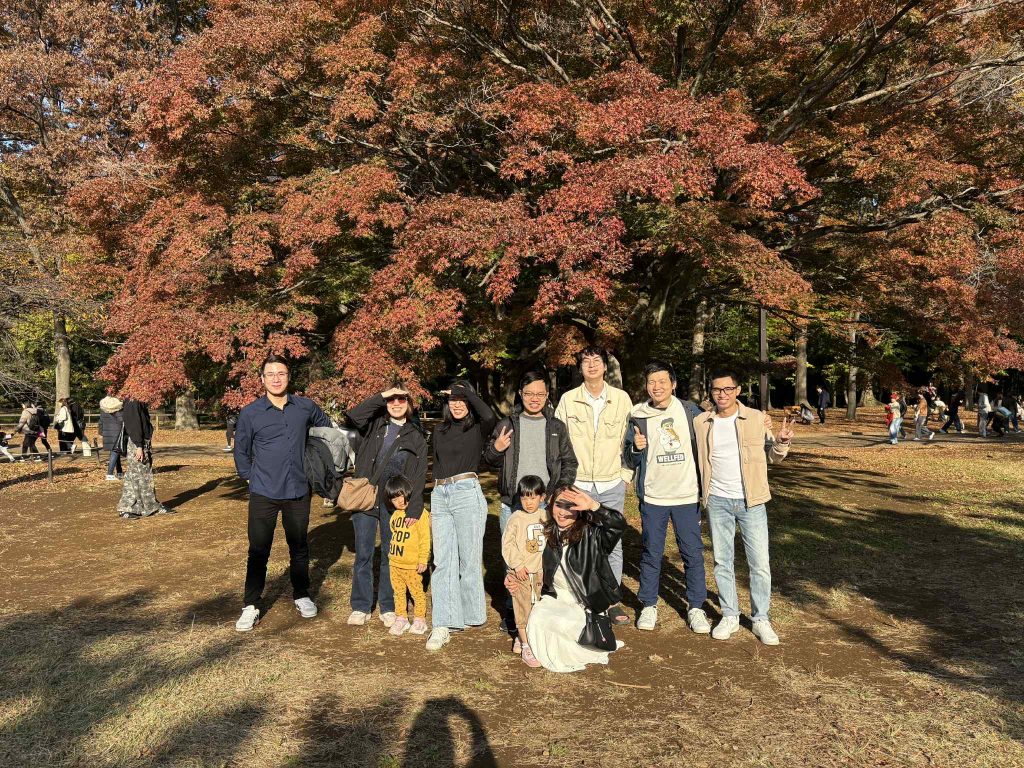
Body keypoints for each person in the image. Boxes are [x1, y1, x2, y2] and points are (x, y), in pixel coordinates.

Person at [694, 371, 794, 645]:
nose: (722, 394)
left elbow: (773, 457)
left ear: (737, 390)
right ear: (711, 392)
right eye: (717, 389)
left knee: (759, 563)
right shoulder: (701, 422)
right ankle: (730, 615)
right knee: (722, 561)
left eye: (728, 389)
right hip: (717, 501)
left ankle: (761, 618)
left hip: (752, 501)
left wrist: (782, 441)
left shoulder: (757, 418)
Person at [233, 354, 331, 631]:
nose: (276, 379)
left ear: (289, 377)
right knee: (258, 550)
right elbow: (241, 450)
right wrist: (250, 477)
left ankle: (301, 594)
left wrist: (319, 466)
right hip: (263, 491)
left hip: (298, 489)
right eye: (271, 374)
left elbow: (327, 432)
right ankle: (251, 605)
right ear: (262, 379)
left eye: (281, 373)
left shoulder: (305, 407)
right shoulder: (251, 412)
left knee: (299, 547)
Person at [484, 370, 577, 638]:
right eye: (529, 394)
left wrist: (557, 493)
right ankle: (514, 611)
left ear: (547, 395)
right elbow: (488, 459)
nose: (534, 398)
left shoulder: (556, 427)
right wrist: (496, 448)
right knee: (513, 559)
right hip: (513, 503)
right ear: (520, 395)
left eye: (540, 394)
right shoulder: (507, 424)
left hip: (546, 506)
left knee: (545, 557)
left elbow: (569, 462)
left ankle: (542, 609)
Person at [623, 360, 711, 634]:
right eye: (651, 382)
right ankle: (648, 605)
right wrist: (636, 449)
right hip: (653, 497)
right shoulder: (638, 415)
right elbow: (628, 457)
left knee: (692, 553)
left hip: (686, 495)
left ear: (673, 384)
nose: (657, 386)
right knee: (652, 552)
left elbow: (716, 429)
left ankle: (696, 606)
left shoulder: (690, 411)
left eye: (662, 381)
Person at [553, 347, 633, 625]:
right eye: (586, 361)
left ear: (605, 366)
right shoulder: (568, 399)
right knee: (575, 539)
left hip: (611, 481)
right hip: (578, 482)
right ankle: (581, 597)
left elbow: (629, 438)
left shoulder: (621, 399)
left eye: (596, 360)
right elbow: (560, 440)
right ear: (579, 368)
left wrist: (625, 474)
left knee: (613, 542)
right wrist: (564, 479)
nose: (591, 365)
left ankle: (612, 601)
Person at [518, 485, 625, 673]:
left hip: (585, 601)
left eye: (570, 507)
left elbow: (618, 525)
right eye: (559, 505)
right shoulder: (546, 532)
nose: (563, 512)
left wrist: (594, 506)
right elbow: (524, 557)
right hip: (556, 596)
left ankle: (586, 646)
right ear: (551, 505)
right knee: (537, 619)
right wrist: (513, 576)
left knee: (563, 625)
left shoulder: (593, 534)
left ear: (579, 510)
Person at [345, 385, 428, 628]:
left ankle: (389, 606)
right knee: (364, 553)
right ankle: (361, 606)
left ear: (409, 403)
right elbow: (353, 415)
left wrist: (413, 507)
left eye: (401, 399)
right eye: (392, 399)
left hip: (394, 502)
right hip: (366, 496)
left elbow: (419, 475)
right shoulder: (374, 425)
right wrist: (382, 395)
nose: (396, 403)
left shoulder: (415, 436)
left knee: (390, 556)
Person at [427, 380, 496, 651]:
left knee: (469, 559)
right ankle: (444, 622)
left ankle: (471, 614)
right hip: (440, 494)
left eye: (462, 399)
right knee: (443, 560)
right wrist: (434, 499)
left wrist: (465, 392)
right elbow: (437, 465)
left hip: (467, 492)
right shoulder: (439, 430)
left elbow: (489, 415)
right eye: (453, 399)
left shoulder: (478, 427)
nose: (457, 404)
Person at [500, 475, 548, 667]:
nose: (529, 502)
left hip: (540, 574)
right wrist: (518, 565)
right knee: (522, 610)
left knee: (537, 610)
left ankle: (528, 638)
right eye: (525, 498)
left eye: (533, 498)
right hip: (521, 574)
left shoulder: (546, 516)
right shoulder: (516, 518)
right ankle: (526, 645)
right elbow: (508, 544)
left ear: (542, 497)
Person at [385, 475, 431, 637]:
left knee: (416, 592)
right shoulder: (395, 515)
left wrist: (423, 559)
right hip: (395, 564)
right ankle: (401, 618)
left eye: (401, 496)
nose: (399, 501)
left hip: (412, 565)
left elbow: (425, 539)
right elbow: (394, 533)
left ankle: (420, 620)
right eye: (394, 499)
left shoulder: (420, 514)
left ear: (409, 492)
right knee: (398, 593)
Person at [117, 397, 170, 519]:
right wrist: (139, 446)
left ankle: (133, 507)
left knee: (136, 475)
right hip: (137, 444)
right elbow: (133, 425)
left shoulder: (136, 401)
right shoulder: (132, 402)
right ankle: (146, 507)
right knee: (142, 475)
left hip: (140, 442)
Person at [99, 394, 124, 480]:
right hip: (117, 432)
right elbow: (122, 421)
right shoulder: (119, 411)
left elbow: (100, 422)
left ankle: (119, 472)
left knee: (115, 452)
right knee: (115, 451)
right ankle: (109, 474)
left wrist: (102, 433)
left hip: (107, 433)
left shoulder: (103, 411)